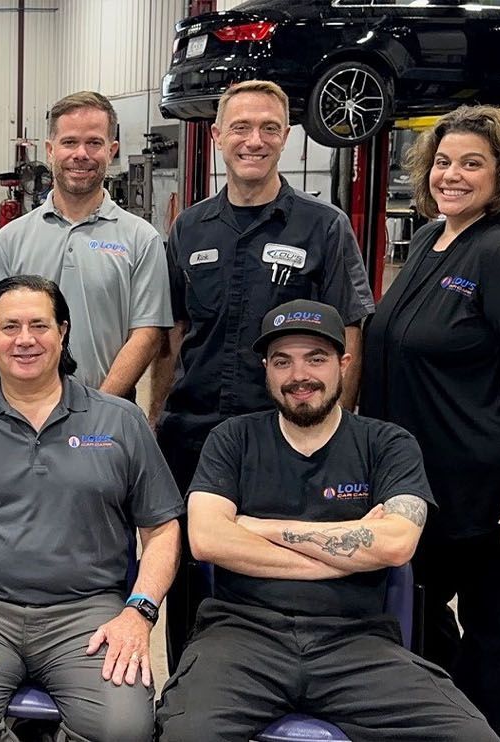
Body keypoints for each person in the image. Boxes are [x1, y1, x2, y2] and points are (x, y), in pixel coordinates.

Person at [154, 300, 497, 742]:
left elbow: (395, 544)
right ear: (266, 369)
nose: (299, 375)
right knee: (185, 735)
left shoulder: (388, 444)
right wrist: (350, 551)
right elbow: (206, 539)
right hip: (240, 638)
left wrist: (258, 526)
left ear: (344, 363)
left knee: (471, 737)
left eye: (316, 358)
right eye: (283, 361)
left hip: (359, 644)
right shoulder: (232, 439)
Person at [360, 105, 500, 742]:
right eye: (443, 162)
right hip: (434, 481)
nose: (451, 176)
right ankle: (453, 722)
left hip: (497, 490)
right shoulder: (435, 238)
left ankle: (490, 732)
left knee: (495, 627)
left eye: (471, 164)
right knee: (415, 608)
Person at [149, 79, 375, 668]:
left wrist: (337, 430)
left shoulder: (322, 228)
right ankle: (187, 695)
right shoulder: (189, 228)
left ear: (286, 137)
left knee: (280, 574)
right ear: (218, 136)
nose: (255, 140)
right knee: (191, 578)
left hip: (283, 438)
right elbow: (171, 336)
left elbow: (348, 332)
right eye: (241, 128)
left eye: (269, 128)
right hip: (193, 435)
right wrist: (157, 415)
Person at [0, 275, 182, 742]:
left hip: (88, 614)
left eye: (39, 325)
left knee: (124, 727)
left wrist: (139, 613)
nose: (25, 339)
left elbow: (162, 530)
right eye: (10, 326)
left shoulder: (119, 420)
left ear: (63, 332)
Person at [0, 91, 169, 398]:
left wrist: (100, 409)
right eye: (69, 142)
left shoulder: (141, 240)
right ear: (50, 150)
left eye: (94, 143)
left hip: (107, 413)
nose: (81, 154)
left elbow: (147, 334)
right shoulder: (11, 239)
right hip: (21, 413)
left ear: (112, 149)